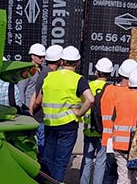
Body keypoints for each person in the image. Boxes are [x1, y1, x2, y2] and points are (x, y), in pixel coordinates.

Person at [38, 46, 95, 182]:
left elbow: (40, 99)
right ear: (77, 62)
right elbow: (91, 100)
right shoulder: (78, 79)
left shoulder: (49, 77)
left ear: (62, 61)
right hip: (68, 125)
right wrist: (79, 113)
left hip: (50, 124)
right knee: (61, 162)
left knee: (47, 160)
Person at [101, 59, 137, 184]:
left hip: (109, 140)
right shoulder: (135, 94)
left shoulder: (109, 90)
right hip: (128, 142)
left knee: (109, 174)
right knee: (125, 175)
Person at [80, 57, 114, 184]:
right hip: (103, 131)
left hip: (89, 129)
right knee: (101, 161)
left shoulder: (87, 86)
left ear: (96, 71)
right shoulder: (111, 89)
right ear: (110, 73)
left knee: (87, 159)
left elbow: (83, 103)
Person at [31, 44, 63, 157]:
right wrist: (32, 111)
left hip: (43, 117)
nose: (41, 59)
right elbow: (37, 100)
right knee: (44, 150)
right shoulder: (47, 75)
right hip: (41, 118)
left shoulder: (45, 72)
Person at [17, 43, 45, 107]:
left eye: (44, 57)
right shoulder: (27, 70)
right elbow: (21, 89)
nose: (42, 59)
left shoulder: (43, 69)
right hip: (29, 105)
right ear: (32, 56)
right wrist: (22, 107)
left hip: (39, 106)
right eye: (40, 57)